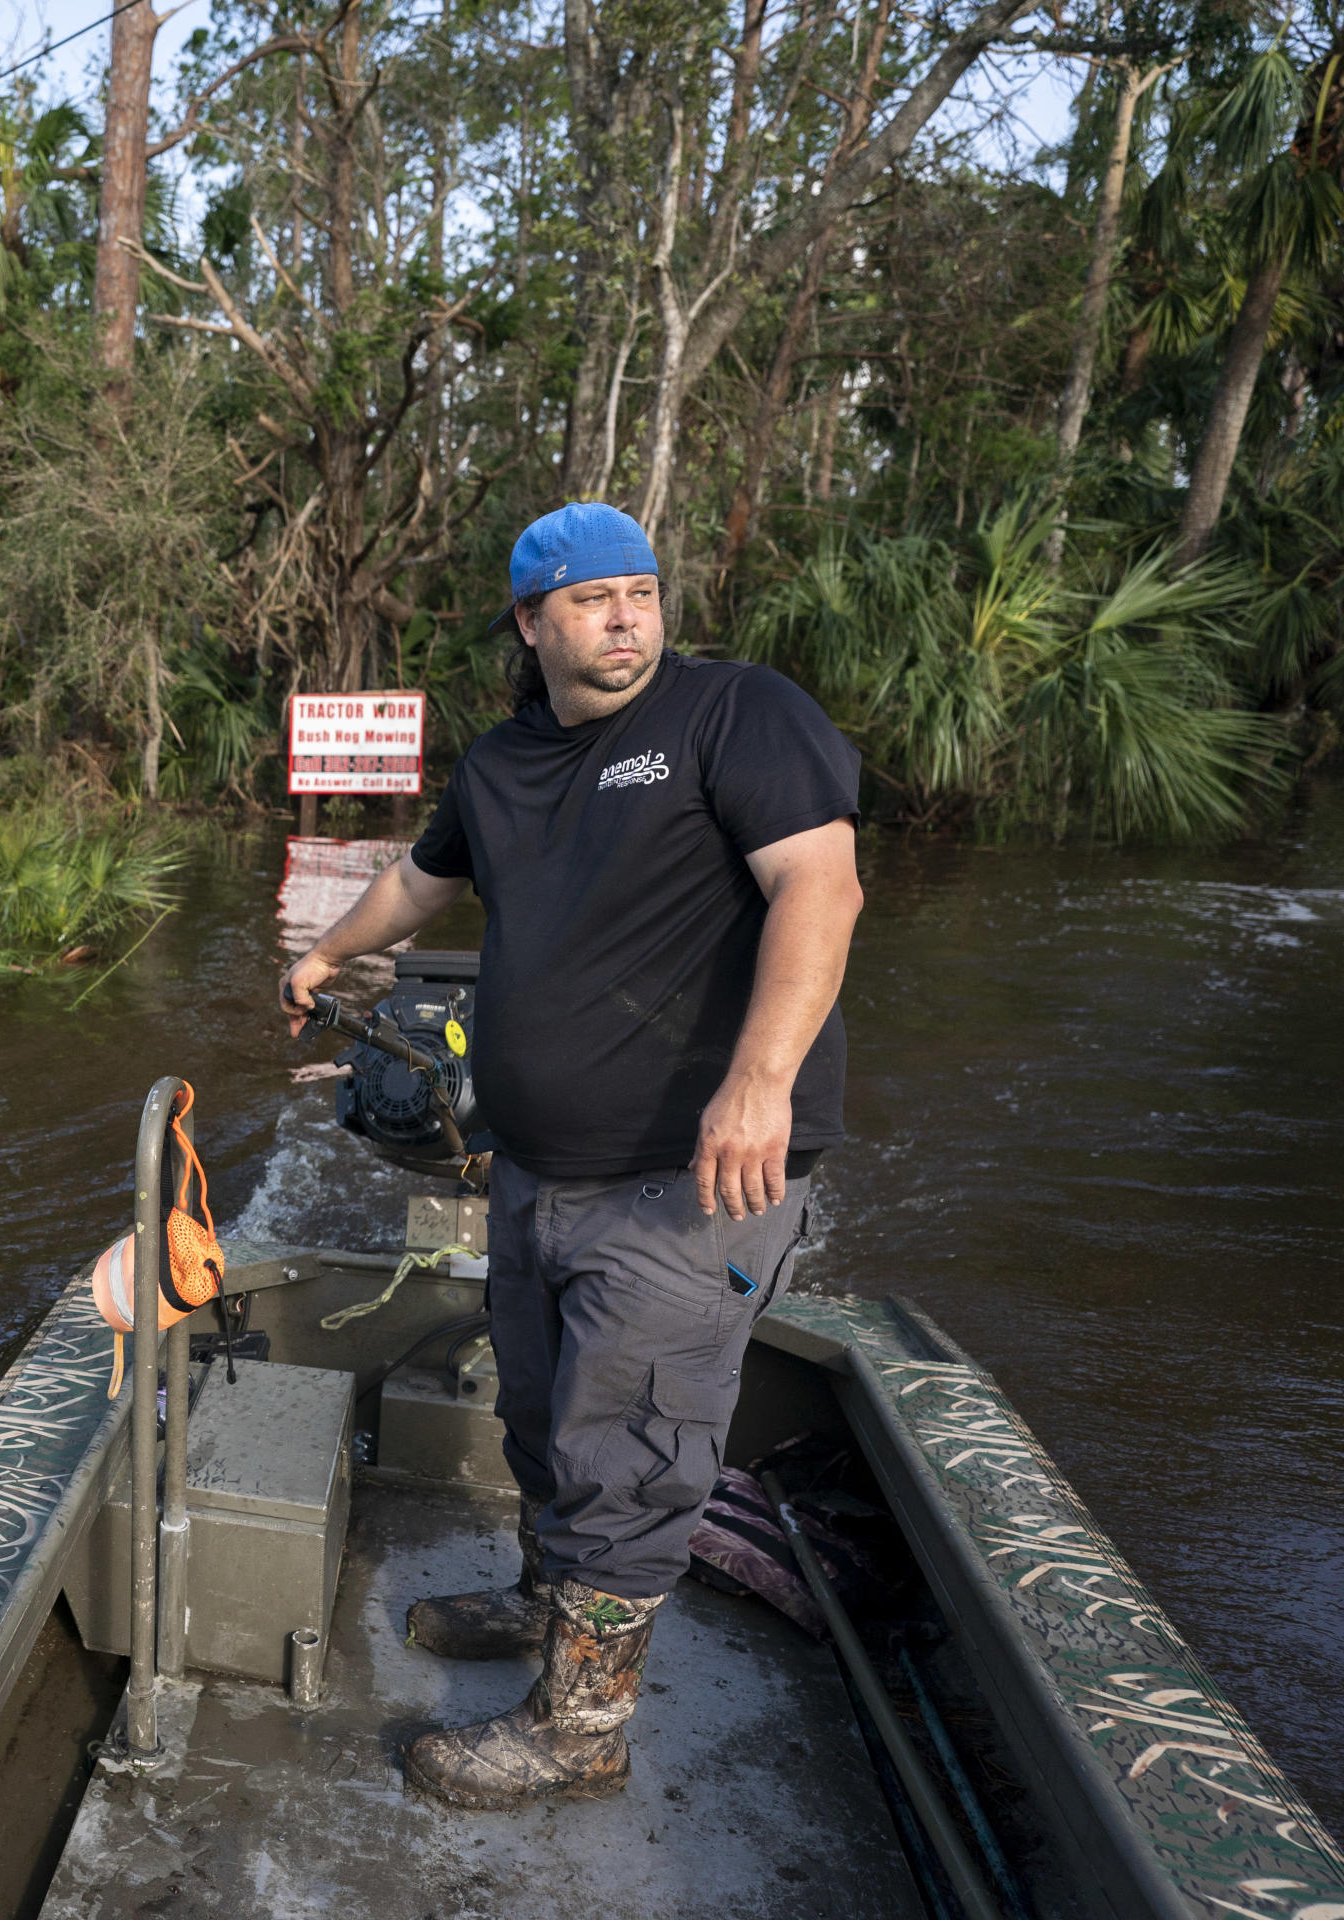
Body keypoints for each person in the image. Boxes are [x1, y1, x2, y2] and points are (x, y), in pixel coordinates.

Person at [276, 501, 865, 1810]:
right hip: (539, 1174)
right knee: (543, 1413)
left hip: (694, 1180)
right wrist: (324, 954)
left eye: (643, 592)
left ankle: (579, 1732)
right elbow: (421, 886)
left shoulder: (736, 717)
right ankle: (548, 1600)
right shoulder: (500, 765)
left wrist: (759, 1084)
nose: (627, 617)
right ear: (532, 623)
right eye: (594, 599)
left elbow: (821, 886)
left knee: (631, 1448)